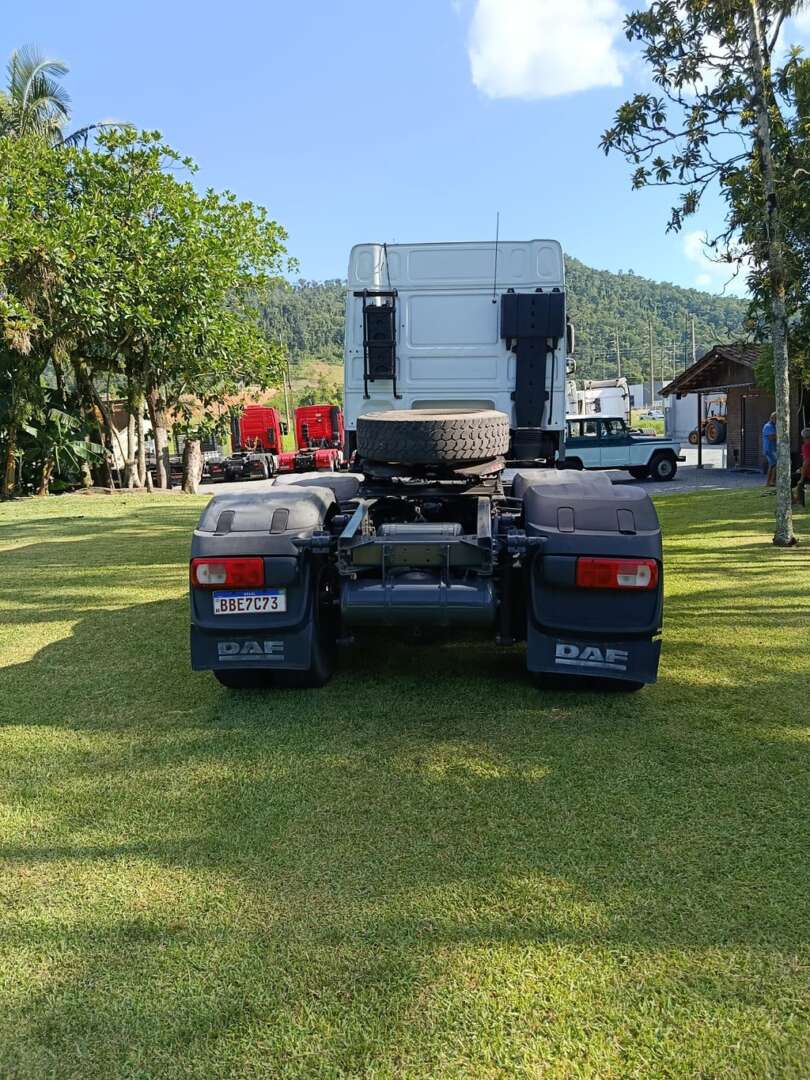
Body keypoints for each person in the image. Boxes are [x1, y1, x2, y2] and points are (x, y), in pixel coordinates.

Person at [793, 426, 810, 506]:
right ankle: (798, 500)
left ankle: (796, 501)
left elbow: (806, 462)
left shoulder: (806, 446)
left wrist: (802, 478)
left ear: (805, 438)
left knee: (789, 479)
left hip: (808, 474)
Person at [762, 411, 777, 488]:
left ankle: (770, 482)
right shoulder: (768, 426)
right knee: (775, 464)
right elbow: (771, 437)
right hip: (770, 449)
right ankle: (771, 482)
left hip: (772, 449)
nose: (777, 420)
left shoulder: (773, 426)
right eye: (775, 418)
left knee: (772, 464)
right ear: (771, 418)